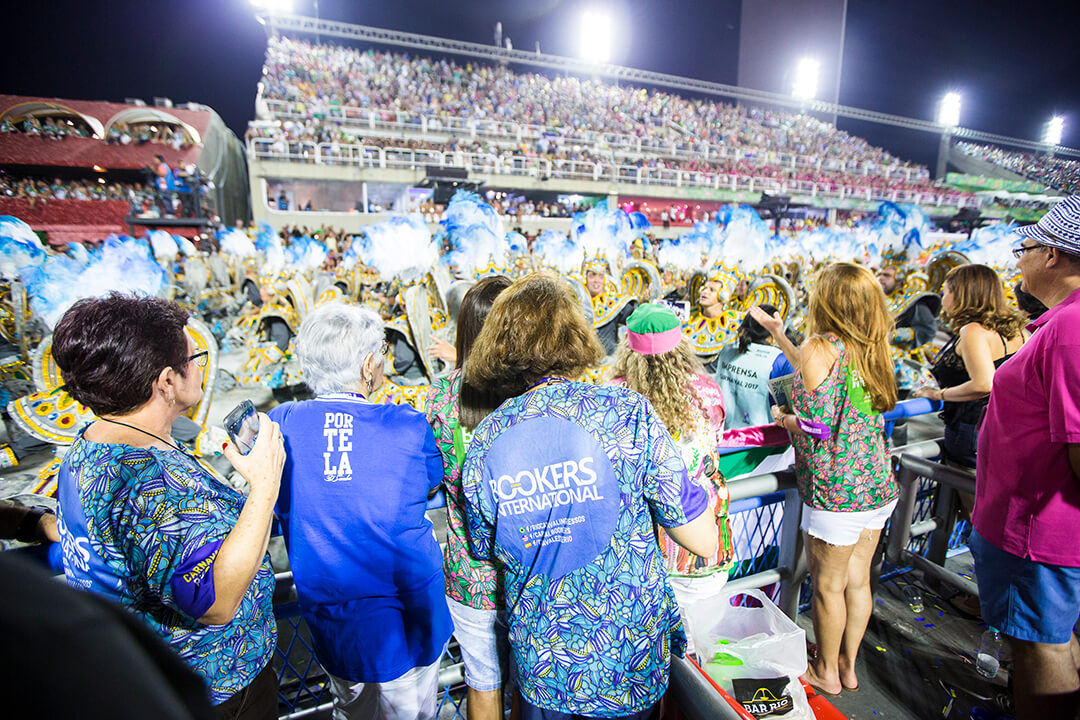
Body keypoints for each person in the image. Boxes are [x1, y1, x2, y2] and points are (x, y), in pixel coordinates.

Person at [461, 272, 718, 719]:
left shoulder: (486, 440)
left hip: (546, 669)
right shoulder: (627, 414)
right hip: (629, 661)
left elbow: (488, 552)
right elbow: (702, 540)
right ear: (575, 334)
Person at [51, 293, 284, 719]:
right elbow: (214, 601)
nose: (199, 366)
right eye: (192, 357)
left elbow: (102, 537)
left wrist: (33, 524)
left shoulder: (98, 439)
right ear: (166, 381)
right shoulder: (142, 483)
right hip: (209, 693)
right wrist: (264, 486)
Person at [268, 302, 453, 720]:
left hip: (332, 616)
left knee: (351, 710)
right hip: (406, 615)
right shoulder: (405, 423)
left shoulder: (281, 422)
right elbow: (430, 479)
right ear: (368, 365)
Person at [750, 262, 898, 697]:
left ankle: (825, 672)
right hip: (876, 486)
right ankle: (849, 668)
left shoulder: (820, 345)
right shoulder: (869, 346)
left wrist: (782, 416)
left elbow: (815, 425)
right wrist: (779, 334)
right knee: (858, 581)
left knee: (827, 588)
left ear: (827, 300)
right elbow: (820, 375)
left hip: (836, 491)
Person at [969, 196, 1080, 720]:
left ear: (1054, 256)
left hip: (1036, 535)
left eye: (1025, 248)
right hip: (1038, 532)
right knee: (1053, 640)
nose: (1018, 259)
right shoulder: (1060, 322)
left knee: (1042, 650)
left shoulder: (1071, 329)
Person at [609, 303, 734, 653]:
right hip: (704, 538)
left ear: (628, 348)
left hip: (642, 551)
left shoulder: (617, 395)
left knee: (648, 655)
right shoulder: (709, 390)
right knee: (702, 651)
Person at [424, 276, 512, 720]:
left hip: (468, 570)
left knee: (482, 681)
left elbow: (430, 480)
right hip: (531, 569)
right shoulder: (528, 392)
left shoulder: (440, 396)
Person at [913, 264, 1027, 469]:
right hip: (1005, 430)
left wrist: (938, 394)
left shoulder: (973, 331)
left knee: (969, 498)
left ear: (961, 295)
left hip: (971, 430)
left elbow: (984, 383)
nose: (942, 299)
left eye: (945, 292)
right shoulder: (1018, 330)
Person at [713, 304, 795, 429]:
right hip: (760, 440)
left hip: (723, 433)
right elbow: (787, 407)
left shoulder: (727, 350)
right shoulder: (778, 360)